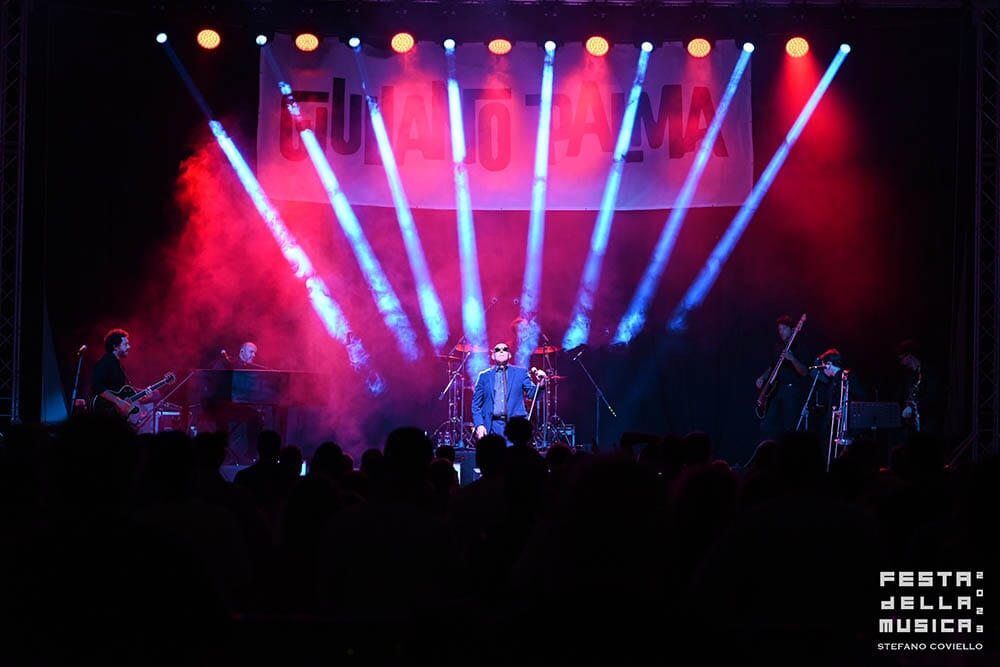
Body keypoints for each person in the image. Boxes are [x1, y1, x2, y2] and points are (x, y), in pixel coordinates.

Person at [472, 342, 545, 442]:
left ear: (509, 355)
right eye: (497, 349)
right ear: (493, 356)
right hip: (492, 426)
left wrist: (540, 383)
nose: (501, 351)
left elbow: (533, 395)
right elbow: (476, 405)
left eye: (505, 349)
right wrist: (479, 425)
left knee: (514, 457)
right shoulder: (484, 376)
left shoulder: (521, 373)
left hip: (515, 427)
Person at [755, 315, 808, 441]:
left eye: (784, 329)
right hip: (776, 389)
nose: (781, 332)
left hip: (792, 391)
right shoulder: (778, 347)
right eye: (779, 330)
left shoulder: (800, 347)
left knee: (789, 427)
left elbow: (805, 372)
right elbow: (772, 367)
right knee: (767, 425)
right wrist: (762, 377)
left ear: (793, 329)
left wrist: (792, 359)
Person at [91, 328, 133, 417]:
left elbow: (121, 389)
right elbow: (97, 386)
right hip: (104, 413)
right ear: (115, 346)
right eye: (125, 344)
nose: (129, 347)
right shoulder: (105, 362)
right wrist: (117, 401)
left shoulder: (118, 365)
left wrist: (143, 392)